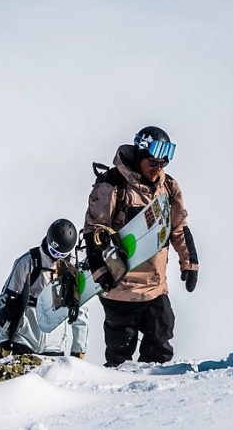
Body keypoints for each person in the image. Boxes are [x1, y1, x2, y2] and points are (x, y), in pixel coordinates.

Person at [84, 125, 199, 367]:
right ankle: (115, 399)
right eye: (153, 163)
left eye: (163, 164)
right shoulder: (113, 185)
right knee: (120, 356)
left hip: (156, 286)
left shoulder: (168, 187)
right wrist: (100, 272)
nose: (158, 169)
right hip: (120, 288)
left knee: (160, 346)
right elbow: (93, 230)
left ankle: (152, 400)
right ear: (140, 156)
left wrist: (190, 263)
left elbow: (178, 227)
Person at [0, 218, 89, 358]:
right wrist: (4, 340)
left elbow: (80, 309)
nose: (56, 258)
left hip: (55, 345)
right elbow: (7, 301)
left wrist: (79, 348)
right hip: (25, 340)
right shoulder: (28, 262)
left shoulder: (73, 268)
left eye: (62, 255)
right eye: (54, 252)